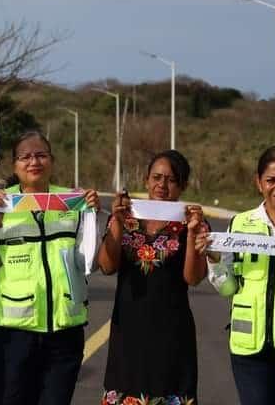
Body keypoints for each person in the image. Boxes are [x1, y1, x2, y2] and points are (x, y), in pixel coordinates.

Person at [0, 130, 100, 405]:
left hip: (64, 333)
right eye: (25, 157)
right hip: (12, 333)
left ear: (52, 160)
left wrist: (92, 218)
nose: (34, 162)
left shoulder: (72, 201)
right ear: (15, 165)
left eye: (40, 155)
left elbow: (87, 262)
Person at [97, 150, 208, 404]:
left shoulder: (192, 223)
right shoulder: (127, 218)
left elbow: (193, 278)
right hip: (128, 332)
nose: (162, 185)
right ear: (146, 180)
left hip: (172, 335)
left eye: (171, 179)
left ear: (183, 185)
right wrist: (116, 221)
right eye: (156, 177)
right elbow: (106, 266)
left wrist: (192, 234)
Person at [202, 146, 275, 404]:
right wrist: (213, 258)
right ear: (259, 183)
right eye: (271, 180)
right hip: (248, 350)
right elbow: (227, 289)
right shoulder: (239, 225)